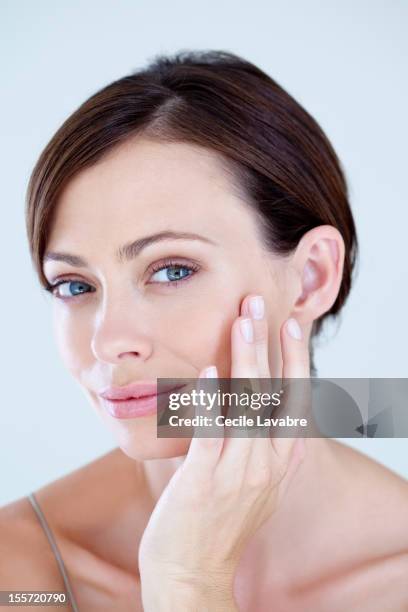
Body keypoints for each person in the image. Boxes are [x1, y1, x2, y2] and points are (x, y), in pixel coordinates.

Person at [1, 50, 407, 611]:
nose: (107, 340)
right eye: (73, 285)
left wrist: (191, 583)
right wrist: (185, 577)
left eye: (172, 270)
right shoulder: (19, 572)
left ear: (312, 277)